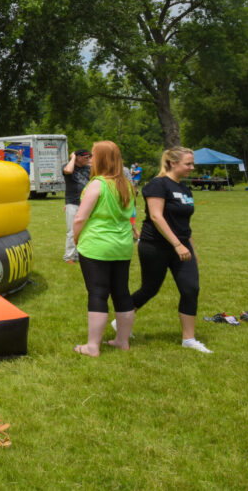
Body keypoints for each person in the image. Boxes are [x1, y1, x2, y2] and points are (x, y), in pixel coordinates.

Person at [128, 147, 211, 353]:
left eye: (193, 164)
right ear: (173, 163)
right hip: (155, 246)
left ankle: (189, 339)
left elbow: (183, 223)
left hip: (182, 247)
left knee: (190, 288)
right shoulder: (157, 185)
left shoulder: (184, 189)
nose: (192, 168)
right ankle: (121, 321)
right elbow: (157, 217)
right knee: (150, 289)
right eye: (188, 164)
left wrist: (191, 248)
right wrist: (176, 244)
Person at [72, 140, 137, 356]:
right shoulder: (126, 185)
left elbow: (80, 217)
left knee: (98, 293)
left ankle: (92, 346)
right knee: (122, 293)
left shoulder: (97, 184)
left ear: (100, 159)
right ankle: (122, 341)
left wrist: (76, 238)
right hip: (122, 246)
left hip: (97, 246)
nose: (90, 159)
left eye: (92, 155)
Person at [62, 149, 92, 264]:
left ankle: (81, 255)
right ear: (78, 157)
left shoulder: (88, 169)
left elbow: (97, 163)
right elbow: (68, 171)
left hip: (86, 204)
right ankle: (69, 257)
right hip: (72, 203)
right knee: (72, 231)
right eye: (85, 157)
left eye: (89, 157)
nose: (88, 159)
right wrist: (73, 157)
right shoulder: (68, 166)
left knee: (85, 231)